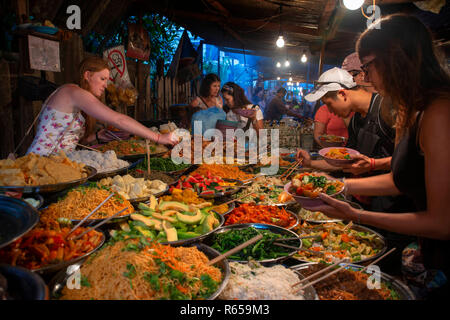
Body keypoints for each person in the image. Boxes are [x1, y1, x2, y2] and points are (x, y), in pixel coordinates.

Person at [302, 14, 450, 299]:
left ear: (397, 58)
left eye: (368, 67)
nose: (365, 79)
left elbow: (442, 222)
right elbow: (398, 179)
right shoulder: (409, 108)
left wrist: (356, 214)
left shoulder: (439, 112)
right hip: (426, 252)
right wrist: (335, 187)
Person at [27, 57, 177, 155]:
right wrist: (158, 137)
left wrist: (97, 136)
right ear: (87, 75)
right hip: (41, 162)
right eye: (102, 78)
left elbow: (67, 138)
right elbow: (118, 120)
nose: (106, 85)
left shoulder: (75, 96)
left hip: (58, 164)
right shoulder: (73, 92)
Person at [299, 67, 396, 176]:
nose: (330, 110)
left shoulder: (387, 107)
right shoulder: (355, 120)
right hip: (361, 190)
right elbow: (346, 162)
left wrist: (373, 164)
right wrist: (310, 163)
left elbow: (409, 161)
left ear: (342, 94)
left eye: (329, 104)